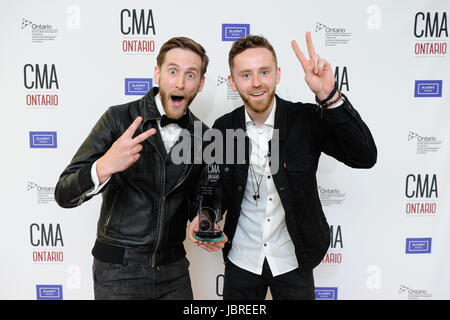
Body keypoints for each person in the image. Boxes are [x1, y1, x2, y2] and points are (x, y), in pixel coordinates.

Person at [189, 33, 377, 299]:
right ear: (232, 82)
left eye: (264, 72)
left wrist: (329, 96)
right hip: (242, 259)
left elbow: (365, 156)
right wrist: (206, 220)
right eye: (245, 75)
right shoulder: (223, 128)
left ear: (277, 74)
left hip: (294, 259)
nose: (256, 83)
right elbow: (213, 185)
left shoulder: (306, 119)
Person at [55, 37, 218, 300]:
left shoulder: (204, 136)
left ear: (200, 83)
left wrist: (205, 217)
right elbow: (63, 193)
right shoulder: (118, 119)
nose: (180, 83)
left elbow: (203, 198)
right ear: (157, 73)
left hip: (174, 270)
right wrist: (105, 165)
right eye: (173, 71)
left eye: (190, 75)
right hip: (119, 270)